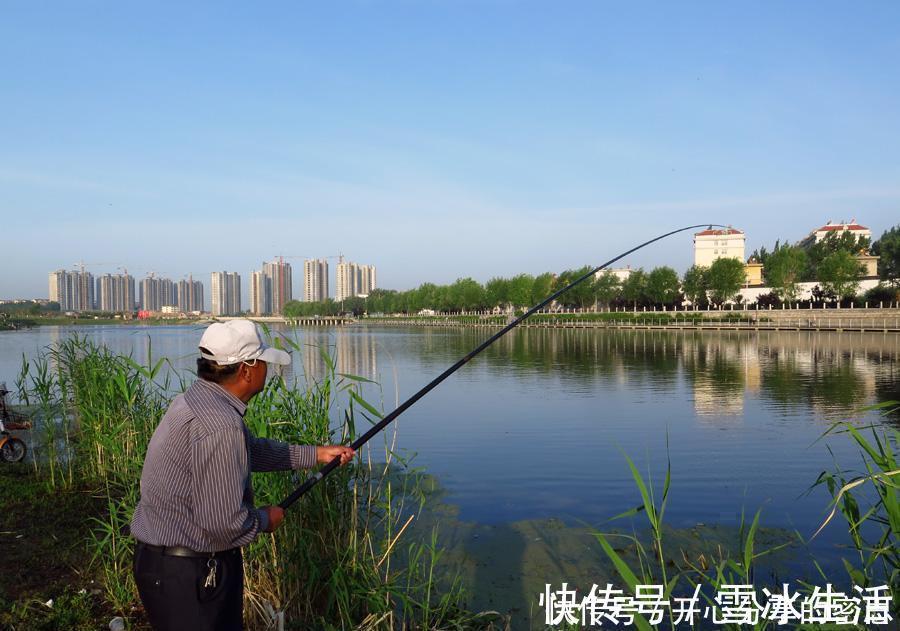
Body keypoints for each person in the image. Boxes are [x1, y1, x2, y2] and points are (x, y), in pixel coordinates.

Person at [130, 319, 354, 630]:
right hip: (190, 577)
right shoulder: (221, 425)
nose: (267, 369)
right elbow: (223, 524)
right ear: (247, 370)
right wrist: (265, 520)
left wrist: (317, 454)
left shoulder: (196, 401)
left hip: (165, 567)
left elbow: (250, 450)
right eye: (262, 361)